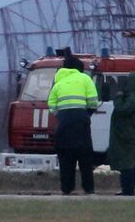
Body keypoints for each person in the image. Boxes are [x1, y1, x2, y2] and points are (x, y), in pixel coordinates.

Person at [48, 53, 98, 195]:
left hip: (63, 123)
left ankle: (66, 188)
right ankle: (88, 188)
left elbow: (51, 103)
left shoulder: (59, 83)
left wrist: (60, 115)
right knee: (85, 158)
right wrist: (86, 113)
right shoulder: (85, 79)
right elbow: (93, 100)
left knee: (65, 158)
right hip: (81, 121)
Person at [108, 72, 135, 196]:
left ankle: (128, 189)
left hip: (128, 137)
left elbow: (121, 110)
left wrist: (118, 97)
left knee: (127, 163)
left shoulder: (132, 100)